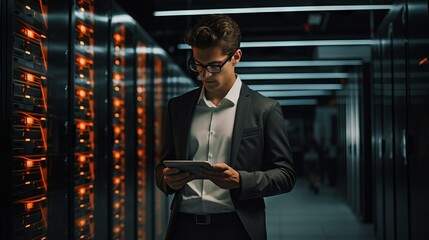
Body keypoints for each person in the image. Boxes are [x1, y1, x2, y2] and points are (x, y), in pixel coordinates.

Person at [155, 14, 296, 240]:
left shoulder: (265, 109)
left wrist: (241, 180)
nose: (205, 75)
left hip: (237, 227)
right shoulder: (178, 107)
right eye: (198, 65)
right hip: (184, 227)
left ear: (236, 57)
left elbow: (285, 175)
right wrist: (166, 180)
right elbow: (161, 167)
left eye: (214, 66)